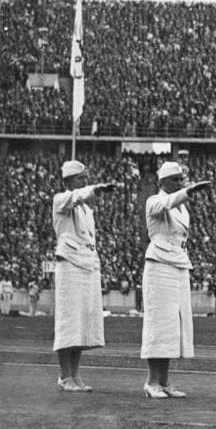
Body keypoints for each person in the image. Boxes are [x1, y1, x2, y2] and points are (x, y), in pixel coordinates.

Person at [140, 161, 212, 399]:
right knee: (159, 323)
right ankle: (151, 382)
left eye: (182, 180)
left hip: (179, 262)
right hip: (159, 262)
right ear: (162, 182)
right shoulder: (154, 200)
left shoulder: (183, 208)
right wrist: (188, 191)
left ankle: (165, 381)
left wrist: (184, 194)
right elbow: (165, 203)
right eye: (175, 180)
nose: (180, 184)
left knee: (173, 325)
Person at [52, 160, 116, 393]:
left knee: (82, 321)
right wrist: (96, 189)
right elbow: (76, 197)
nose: (84, 181)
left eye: (85, 177)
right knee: (68, 321)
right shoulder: (61, 199)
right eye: (80, 178)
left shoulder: (87, 209)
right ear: (68, 180)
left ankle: (75, 374)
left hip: (87, 264)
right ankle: (64, 375)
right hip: (69, 264)